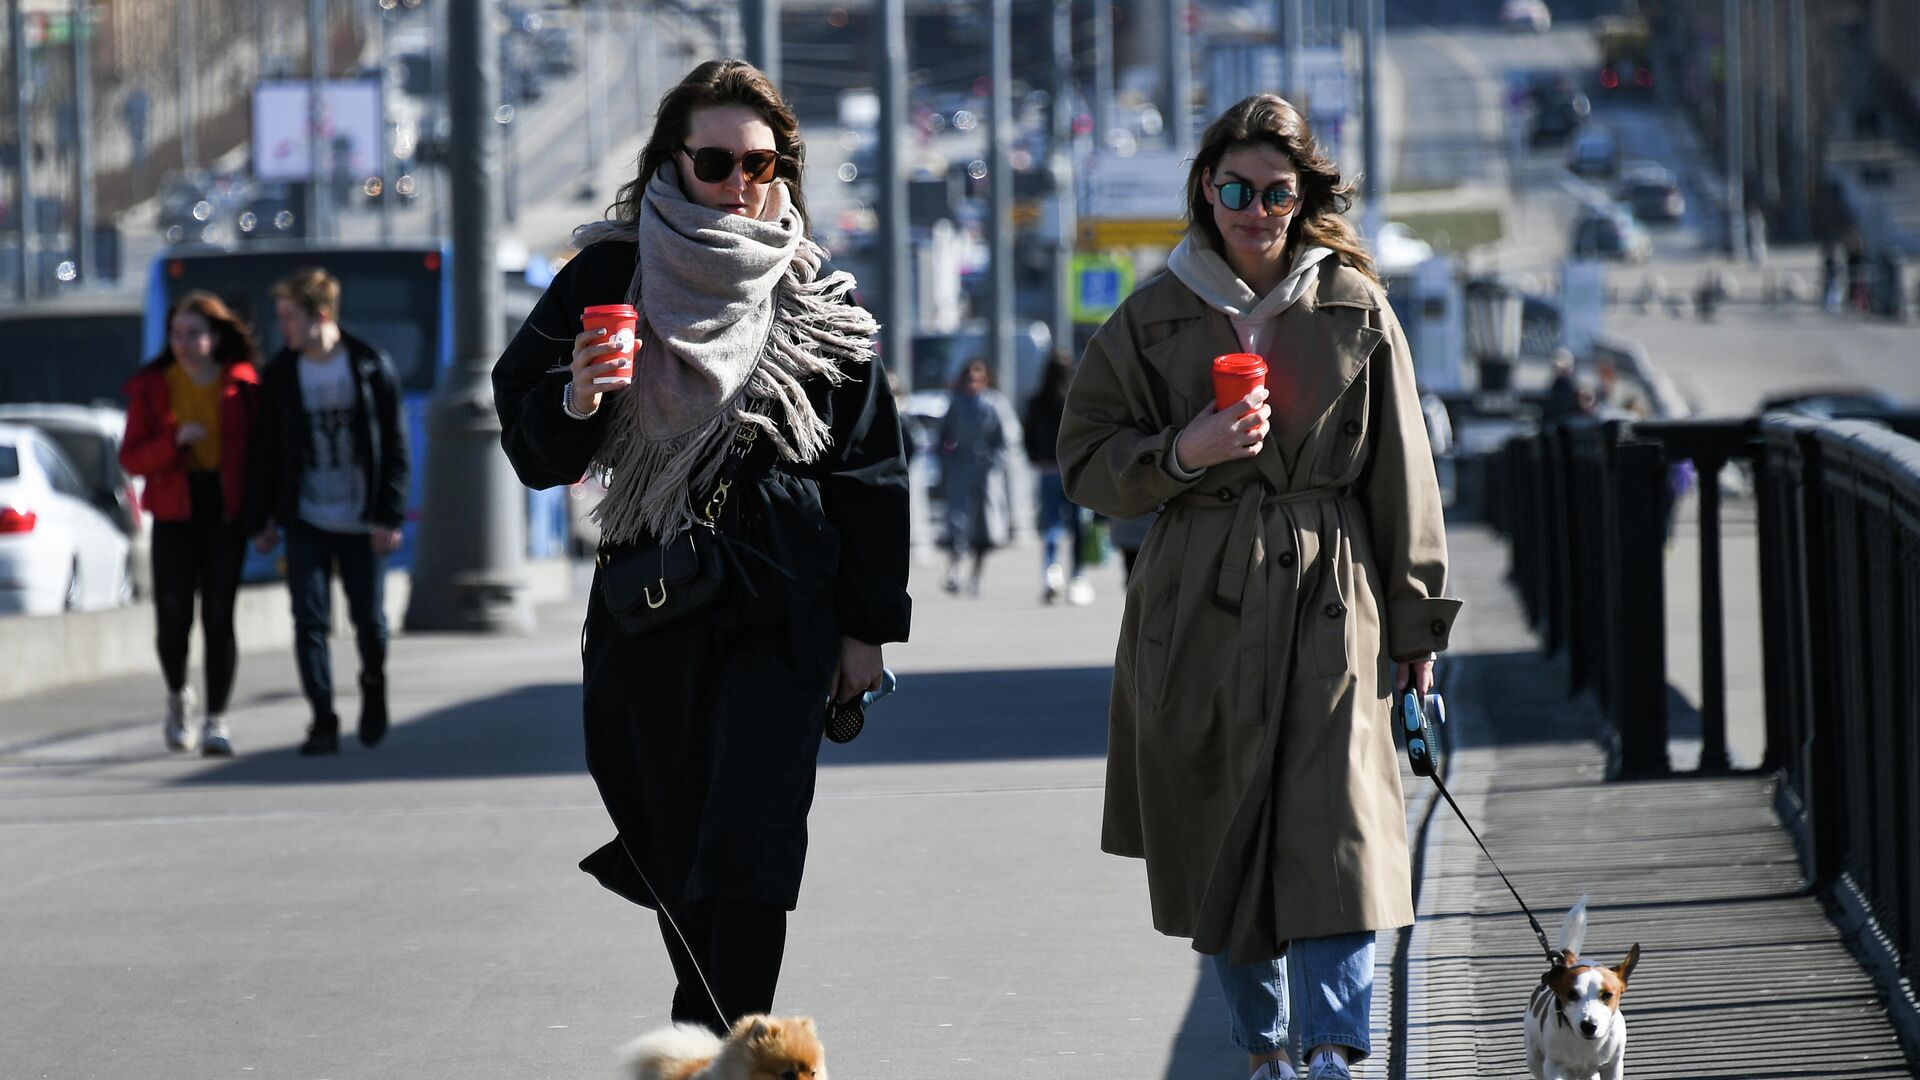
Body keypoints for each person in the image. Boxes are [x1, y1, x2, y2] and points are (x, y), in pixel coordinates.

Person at [490, 59, 910, 1035]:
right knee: (673, 839)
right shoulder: (608, 274)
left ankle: (732, 1042)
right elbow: (529, 445)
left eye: (759, 164)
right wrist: (579, 397)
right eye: (715, 162)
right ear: (672, 163)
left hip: (782, 605)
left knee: (753, 842)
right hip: (650, 604)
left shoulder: (812, 295)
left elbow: (868, 470)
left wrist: (865, 631)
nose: (739, 185)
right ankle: (715, 1035)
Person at [1057, 94, 1461, 1080]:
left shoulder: (1355, 306)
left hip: (1331, 594)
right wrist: (1183, 452)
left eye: (1277, 191)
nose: (1255, 208)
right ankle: (1266, 1049)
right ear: (1206, 188)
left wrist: (1418, 629)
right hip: (1200, 595)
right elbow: (1083, 458)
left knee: (1342, 834)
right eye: (1235, 187)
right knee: (1222, 828)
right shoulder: (1152, 314)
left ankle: (1329, 1051)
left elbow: (1401, 473)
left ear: (1302, 195)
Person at [245, 267, 408, 756]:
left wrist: (389, 515)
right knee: (308, 621)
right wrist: (262, 519)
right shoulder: (280, 375)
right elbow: (266, 454)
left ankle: (373, 687)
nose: (283, 328)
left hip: (361, 518)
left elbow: (395, 447)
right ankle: (322, 719)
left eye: (290, 318)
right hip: (307, 517)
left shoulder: (369, 365)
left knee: (370, 621)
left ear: (320, 316)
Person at [119, 291, 260, 755]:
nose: (183, 342)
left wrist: (263, 515)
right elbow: (132, 458)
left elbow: (262, 454)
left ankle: (216, 719)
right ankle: (179, 694)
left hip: (222, 511)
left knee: (219, 617)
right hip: (174, 510)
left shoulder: (241, 383)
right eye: (176, 334)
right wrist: (173, 442)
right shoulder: (154, 385)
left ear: (215, 337)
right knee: (173, 621)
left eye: (194, 333)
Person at [938, 357, 1018, 596]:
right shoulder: (956, 403)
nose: (972, 383)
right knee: (958, 521)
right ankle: (954, 570)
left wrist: (994, 462)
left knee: (984, 526)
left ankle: (977, 575)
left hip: (987, 473)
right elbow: (943, 436)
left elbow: (1007, 439)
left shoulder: (995, 404)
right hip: (962, 469)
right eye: (969, 379)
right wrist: (948, 461)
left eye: (977, 379)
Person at [1023, 352, 1093, 605]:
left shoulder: (1036, 401)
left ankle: (1052, 572)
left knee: (1051, 524)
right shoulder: (1076, 401)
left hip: (1047, 470)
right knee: (1078, 526)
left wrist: (1036, 458)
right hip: (1075, 469)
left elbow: (1027, 434)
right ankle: (1077, 578)